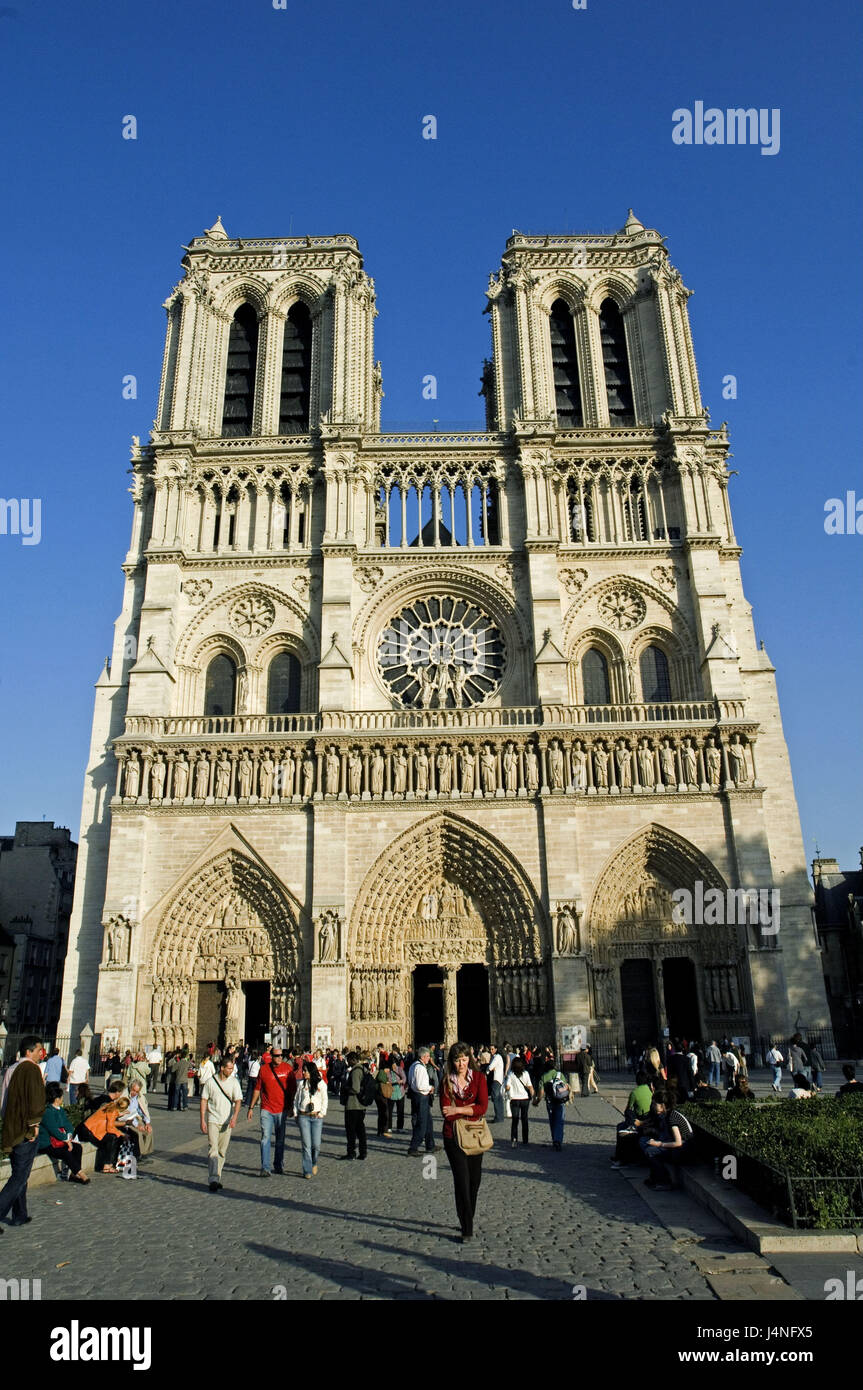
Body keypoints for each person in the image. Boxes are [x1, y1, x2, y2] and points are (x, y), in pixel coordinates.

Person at [440, 1042, 489, 1243]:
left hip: (474, 1135)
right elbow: (446, 1113)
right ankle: (466, 1226)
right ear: (452, 1062)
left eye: (464, 1059)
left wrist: (459, 1109)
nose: (461, 1063)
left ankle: (466, 1214)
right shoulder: (446, 1082)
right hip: (453, 1136)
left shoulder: (479, 1078)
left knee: (474, 1181)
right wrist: (470, 1107)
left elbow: (483, 1107)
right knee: (461, 1180)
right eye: (458, 1059)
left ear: (470, 1059)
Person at [0, 1036, 46, 1229]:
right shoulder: (31, 1069)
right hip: (26, 1130)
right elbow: (36, 1099)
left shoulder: (11, 1069)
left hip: (12, 1127)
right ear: (29, 1051)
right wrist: (34, 1125)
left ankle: (20, 1214)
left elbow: (3, 1100)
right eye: (38, 1050)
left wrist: (8, 1122)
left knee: (21, 1173)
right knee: (19, 1176)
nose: (41, 1053)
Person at [248, 1043, 295, 1176]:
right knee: (265, 1137)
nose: (280, 1058)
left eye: (281, 1055)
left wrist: (291, 1107)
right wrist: (251, 1107)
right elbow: (257, 1089)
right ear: (271, 1056)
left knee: (280, 1139)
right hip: (266, 1108)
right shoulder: (263, 1070)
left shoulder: (288, 1069)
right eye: (277, 1055)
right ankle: (265, 1167)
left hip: (282, 1109)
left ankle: (278, 1164)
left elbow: (292, 1090)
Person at [199, 1057, 243, 1192]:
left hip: (226, 1121)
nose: (231, 1070)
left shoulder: (234, 1082)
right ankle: (213, 1178)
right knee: (213, 1149)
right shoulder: (211, 1082)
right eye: (229, 1068)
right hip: (213, 1119)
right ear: (222, 1068)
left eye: (232, 1068)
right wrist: (202, 1119)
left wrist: (235, 1117)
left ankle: (217, 1176)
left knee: (222, 1151)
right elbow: (204, 1100)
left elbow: (238, 1100)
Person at [639, 1090, 693, 1190]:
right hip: (676, 1147)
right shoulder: (666, 1115)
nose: (653, 1106)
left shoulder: (672, 1117)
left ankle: (664, 1181)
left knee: (650, 1151)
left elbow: (678, 1142)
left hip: (682, 1150)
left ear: (663, 1105)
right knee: (644, 1142)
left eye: (655, 1103)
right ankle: (655, 1178)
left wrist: (659, 1144)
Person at [38, 1081, 89, 1183]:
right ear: (57, 1099)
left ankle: (75, 1174)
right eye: (61, 1097)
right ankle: (80, 1173)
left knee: (77, 1148)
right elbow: (53, 1130)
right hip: (48, 1143)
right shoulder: (47, 1112)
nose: (62, 1099)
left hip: (60, 1140)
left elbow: (67, 1125)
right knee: (65, 1152)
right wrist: (66, 1140)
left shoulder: (60, 1110)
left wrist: (69, 1136)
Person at [79, 1096, 134, 1173]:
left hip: (86, 1129)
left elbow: (110, 1116)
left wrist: (120, 1114)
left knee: (112, 1138)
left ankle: (108, 1164)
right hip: (90, 1132)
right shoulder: (113, 1111)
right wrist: (122, 1134)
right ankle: (107, 1165)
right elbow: (110, 1128)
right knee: (112, 1138)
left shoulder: (111, 1105)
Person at [294, 1060, 328, 1178]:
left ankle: (314, 1162)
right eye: (303, 1071)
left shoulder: (321, 1084)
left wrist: (322, 1112)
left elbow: (325, 1099)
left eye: (305, 1071)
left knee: (316, 1145)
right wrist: (295, 1112)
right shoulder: (301, 1084)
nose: (303, 1073)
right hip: (304, 1116)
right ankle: (307, 1169)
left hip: (316, 1117)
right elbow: (296, 1099)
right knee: (306, 1144)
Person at [533, 1050, 569, 1150]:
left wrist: (536, 1102)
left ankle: (554, 1139)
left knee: (552, 1121)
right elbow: (566, 1086)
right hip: (560, 1100)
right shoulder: (560, 1075)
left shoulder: (543, 1077)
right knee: (560, 1121)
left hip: (550, 1101)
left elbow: (540, 1093)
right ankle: (558, 1140)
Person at [407, 1046, 436, 1156]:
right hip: (421, 1096)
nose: (429, 1058)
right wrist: (430, 1088)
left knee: (428, 1121)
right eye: (428, 1056)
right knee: (422, 1123)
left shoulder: (413, 1065)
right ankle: (413, 1147)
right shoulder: (420, 1068)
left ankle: (430, 1145)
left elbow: (410, 1081)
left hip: (418, 1096)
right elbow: (419, 1085)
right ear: (423, 1056)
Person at [339, 1051, 368, 1161]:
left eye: (348, 1060)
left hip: (353, 1105)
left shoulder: (356, 1071)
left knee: (351, 1130)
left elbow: (355, 1088)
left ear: (352, 1060)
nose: (348, 1062)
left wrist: (346, 1088)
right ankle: (363, 1152)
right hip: (360, 1105)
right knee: (360, 1130)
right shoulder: (363, 1069)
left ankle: (351, 1153)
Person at [504, 1055, 533, 1146]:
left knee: (515, 1120)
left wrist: (507, 1089)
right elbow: (530, 1087)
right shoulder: (526, 1074)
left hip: (515, 1099)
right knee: (524, 1119)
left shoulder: (511, 1074)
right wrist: (534, 1097)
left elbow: (507, 1087)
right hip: (525, 1099)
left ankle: (514, 1139)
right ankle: (525, 1140)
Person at [375, 1056, 395, 1137]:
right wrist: (386, 1082)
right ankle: (384, 1130)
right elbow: (380, 1078)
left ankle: (380, 1130)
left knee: (382, 1113)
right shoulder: (382, 1072)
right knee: (385, 1112)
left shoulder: (382, 1072)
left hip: (379, 1095)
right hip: (381, 1095)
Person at [486, 1045, 505, 1124]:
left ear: (496, 1049)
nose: (491, 1050)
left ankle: (498, 1117)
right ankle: (500, 1116)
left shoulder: (497, 1057)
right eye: (490, 1049)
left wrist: (488, 1069)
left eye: (492, 1049)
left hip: (496, 1079)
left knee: (496, 1098)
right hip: (498, 1079)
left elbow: (490, 1067)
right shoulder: (496, 1057)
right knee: (498, 1098)